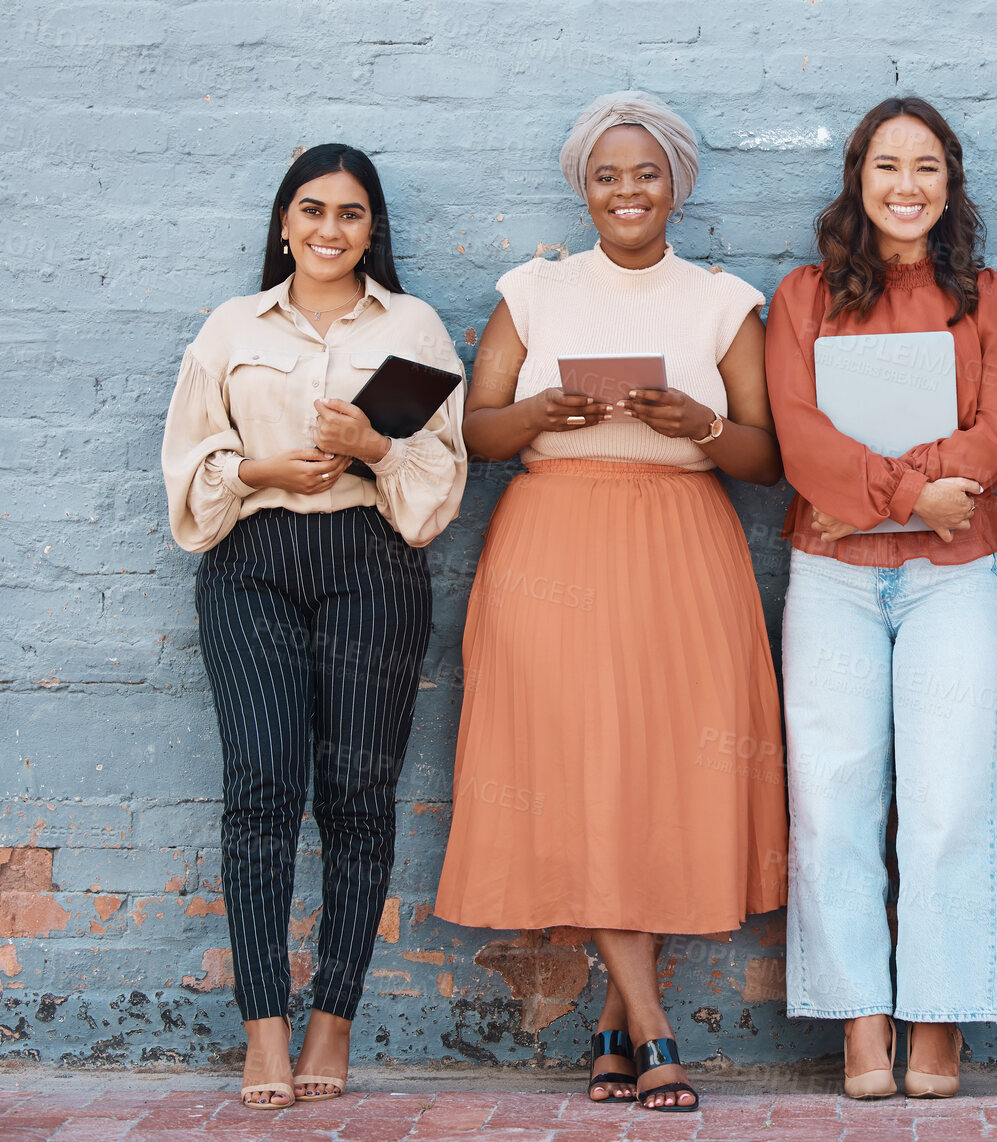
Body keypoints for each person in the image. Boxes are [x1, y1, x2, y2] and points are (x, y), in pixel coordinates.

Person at [431, 91, 786, 1114]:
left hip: (682, 546)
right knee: (587, 774)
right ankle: (656, 1029)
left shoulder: (723, 300)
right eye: (605, 174)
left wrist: (702, 424)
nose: (626, 191)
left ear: (676, 183)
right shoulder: (533, 291)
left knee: (661, 777)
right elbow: (478, 431)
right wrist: (540, 410)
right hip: (554, 544)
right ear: (581, 187)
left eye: (645, 173)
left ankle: (612, 1026)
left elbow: (768, 459)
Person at [161, 144, 468, 1109]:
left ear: (373, 229)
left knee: (357, 793)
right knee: (259, 785)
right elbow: (187, 464)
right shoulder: (230, 327)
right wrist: (260, 472)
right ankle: (263, 1028)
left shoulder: (413, 325)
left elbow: (439, 481)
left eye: (351, 214)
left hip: (373, 563)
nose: (330, 230)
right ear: (284, 225)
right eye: (313, 211)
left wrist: (372, 446)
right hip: (252, 567)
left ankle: (333, 1014)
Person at [766, 96, 997, 1100]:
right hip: (830, 574)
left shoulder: (988, 297)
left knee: (949, 796)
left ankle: (939, 1013)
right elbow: (798, 435)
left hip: (952, 575)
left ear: (949, 182)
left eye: (927, 167)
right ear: (857, 179)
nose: (906, 186)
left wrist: (892, 498)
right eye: (887, 166)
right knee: (833, 797)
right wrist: (909, 493)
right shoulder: (802, 295)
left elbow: (994, 433)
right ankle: (860, 1018)